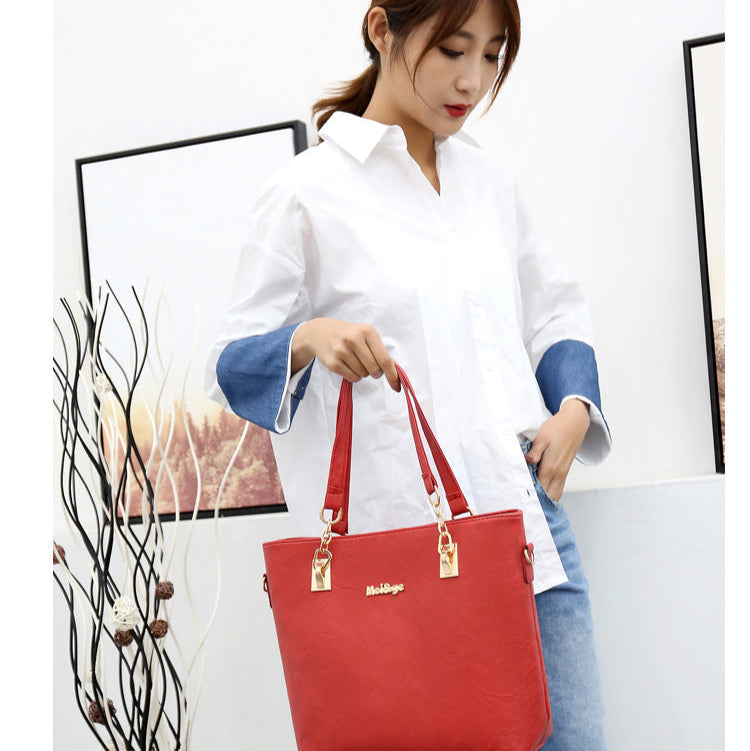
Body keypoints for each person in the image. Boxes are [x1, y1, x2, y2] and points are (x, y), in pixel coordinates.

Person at [205, 1, 611, 748]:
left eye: (491, 55)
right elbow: (228, 365)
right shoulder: (305, 193)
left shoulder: (489, 184)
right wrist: (309, 337)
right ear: (381, 28)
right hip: (395, 563)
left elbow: (554, 310)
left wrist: (575, 406)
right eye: (453, 49)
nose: (472, 80)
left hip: (527, 536)